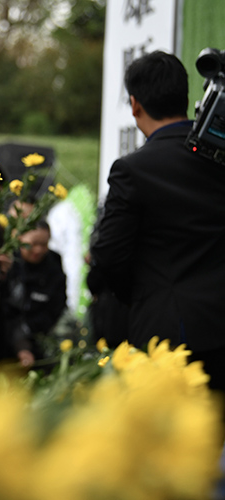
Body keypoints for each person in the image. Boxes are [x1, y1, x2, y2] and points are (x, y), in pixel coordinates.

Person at [91, 50, 225, 392]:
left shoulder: (132, 170)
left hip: (168, 335)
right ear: (184, 97)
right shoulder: (218, 157)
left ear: (135, 105)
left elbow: (109, 256)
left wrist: (141, 293)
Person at [12, 220, 67, 366]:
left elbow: (58, 304)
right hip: (11, 341)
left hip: (42, 337)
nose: (38, 250)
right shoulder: (10, 263)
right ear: (19, 239)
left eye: (44, 245)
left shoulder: (54, 264)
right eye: (33, 243)